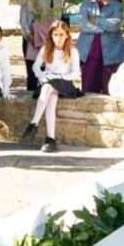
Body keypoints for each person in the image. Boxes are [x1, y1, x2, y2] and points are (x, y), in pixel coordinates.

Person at [22, 20, 82, 152]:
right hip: (49, 83)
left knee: (49, 87)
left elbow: (76, 73)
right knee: (51, 98)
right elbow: (35, 67)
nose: (58, 38)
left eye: (61, 35)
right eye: (55, 35)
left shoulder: (73, 51)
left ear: (67, 35)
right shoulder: (46, 48)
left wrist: (59, 76)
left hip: (65, 84)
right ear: (51, 35)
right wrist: (43, 76)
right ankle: (50, 139)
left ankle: (34, 123)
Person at [76, 0, 124, 94]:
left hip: (111, 55)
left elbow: (115, 25)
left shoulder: (117, 5)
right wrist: (104, 26)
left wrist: (95, 20)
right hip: (89, 54)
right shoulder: (86, 3)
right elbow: (83, 25)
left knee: (110, 92)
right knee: (88, 92)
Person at [19, 0, 67, 91]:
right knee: (32, 74)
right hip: (30, 39)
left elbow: (57, 18)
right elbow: (23, 19)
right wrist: (28, 35)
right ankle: (30, 99)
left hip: (48, 40)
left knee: (48, 72)